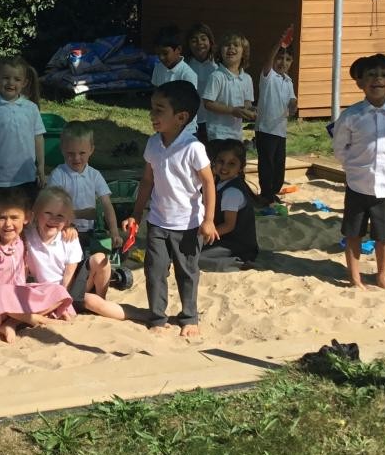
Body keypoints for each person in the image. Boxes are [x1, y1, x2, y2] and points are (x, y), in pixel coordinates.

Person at [122, 80, 218, 336]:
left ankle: (189, 317)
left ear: (181, 117)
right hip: (158, 222)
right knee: (154, 271)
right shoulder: (153, 143)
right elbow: (146, 181)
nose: (152, 115)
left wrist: (208, 220)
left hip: (188, 224)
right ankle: (157, 317)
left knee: (187, 272)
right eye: (152, 108)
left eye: (159, 110)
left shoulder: (193, 147)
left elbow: (208, 183)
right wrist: (136, 214)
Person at [332, 53, 385, 290]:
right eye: (372, 75)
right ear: (360, 82)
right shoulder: (350, 116)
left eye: (384, 75)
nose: (378, 79)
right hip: (359, 183)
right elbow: (339, 148)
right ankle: (355, 277)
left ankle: (382, 276)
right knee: (354, 232)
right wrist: (354, 167)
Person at [0, 188, 75, 349]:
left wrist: (69, 227)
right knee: (1, 291)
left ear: (27, 218)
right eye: (2, 218)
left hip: (19, 300)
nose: (8, 224)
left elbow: (49, 226)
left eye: (14, 217)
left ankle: (13, 322)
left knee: (58, 290)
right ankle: (32, 318)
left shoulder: (22, 239)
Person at [26, 185, 125, 320]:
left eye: (60, 216)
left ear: (67, 220)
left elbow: (69, 275)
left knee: (100, 259)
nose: (53, 219)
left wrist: (63, 301)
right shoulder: (27, 235)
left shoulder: (68, 238)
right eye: (48, 213)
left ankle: (103, 298)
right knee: (90, 301)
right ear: (36, 213)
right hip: (44, 293)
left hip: (69, 288)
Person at [48, 122, 121, 299]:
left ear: (91, 150)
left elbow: (106, 204)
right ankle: (71, 291)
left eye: (82, 153)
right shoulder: (59, 174)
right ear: (62, 150)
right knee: (71, 263)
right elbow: (54, 206)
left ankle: (99, 295)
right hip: (65, 230)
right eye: (70, 153)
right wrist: (70, 220)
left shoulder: (94, 175)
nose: (76, 158)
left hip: (90, 229)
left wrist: (114, 231)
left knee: (99, 258)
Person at [0, 54, 46, 204]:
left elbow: (38, 138)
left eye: (16, 79)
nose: (10, 82)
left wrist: (41, 166)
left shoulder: (31, 108)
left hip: (26, 177)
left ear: (24, 82)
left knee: (25, 220)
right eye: (5, 77)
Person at [200, 139, 259, 272]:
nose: (224, 167)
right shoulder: (219, 182)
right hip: (223, 239)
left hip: (236, 245)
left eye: (231, 164)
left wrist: (203, 236)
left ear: (240, 167)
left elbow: (228, 225)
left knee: (194, 257)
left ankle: (238, 264)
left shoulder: (232, 192)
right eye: (221, 161)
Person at [254, 25, 298, 205]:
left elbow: (292, 102)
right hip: (265, 128)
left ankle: (274, 191)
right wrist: (278, 43)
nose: (283, 62)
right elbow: (268, 60)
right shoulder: (268, 75)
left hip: (280, 130)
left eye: (288, 59)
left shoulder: (288, 81)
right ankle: (266, 194)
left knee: (279, 164)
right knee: (267, 164)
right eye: (280, 58)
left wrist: (294, 105)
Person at [201, 31, 256, 142]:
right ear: (220, 52)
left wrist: (251, 111)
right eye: (227, 45)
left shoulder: (247, 78)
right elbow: (208, 103)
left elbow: (247, 103)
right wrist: (232, 110)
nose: (231, 48)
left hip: (237, 134)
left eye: (236, 45)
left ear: (243, 53)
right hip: (217, 134)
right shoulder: (217, 76)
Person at [185, 22, 218, 142]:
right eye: (194, 40)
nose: (199, 43)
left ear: (210, 41)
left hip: (212, 120)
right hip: (191, 121)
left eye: (203, 39)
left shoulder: (218, 66)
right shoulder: (185, 66)